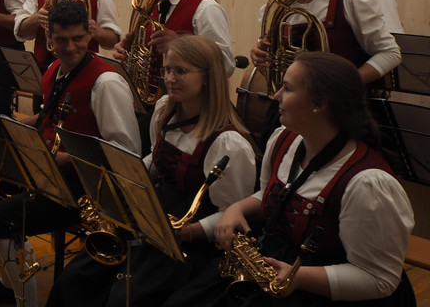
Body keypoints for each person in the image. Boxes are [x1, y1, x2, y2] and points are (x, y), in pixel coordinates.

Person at [164, 52, 416, 307]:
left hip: (327, 289)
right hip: (279, 262)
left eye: (287, 88)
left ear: (319, 103)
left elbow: (380, 279)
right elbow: (268, 194)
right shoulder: (284, 138)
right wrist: (236, 209)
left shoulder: (368, 184)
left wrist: (298, 277)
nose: (276, 96)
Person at [46, 35, 257, 307]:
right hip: (151, 217)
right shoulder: (165, 109)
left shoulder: (229, 143)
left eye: (181, 71)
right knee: (76, 279)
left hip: (190, 239)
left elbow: (228, 214)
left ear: (207, 77)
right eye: (168, 70)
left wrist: (182, 233)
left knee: (124, 296)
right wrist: (121, 183)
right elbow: (156, 161)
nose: (170, 78)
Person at [0, 1, 140, 307]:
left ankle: (22, 300)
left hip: (86, 188)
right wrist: (10, 128)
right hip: (48, 173)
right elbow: (47, 116)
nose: (70, 47)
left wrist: (64, 159)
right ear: (49, 38)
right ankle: (9, 283)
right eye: (61, 40)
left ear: (90, 34)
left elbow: (124, 153)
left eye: (78, 38)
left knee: (3, 219)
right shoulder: (55, 70)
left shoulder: (107, 83)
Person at [250, 0, 401, 148]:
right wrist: (261, 58)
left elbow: (390, 53)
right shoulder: (273, 8)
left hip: (341, 111)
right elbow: (276, 72)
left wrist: (344, 83)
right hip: (290, 112)